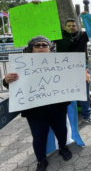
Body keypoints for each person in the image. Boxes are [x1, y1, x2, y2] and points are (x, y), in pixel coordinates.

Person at [3, 36, 73, 171]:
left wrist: (84, 77)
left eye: (44, 45)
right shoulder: (21, 63)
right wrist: (6, 80)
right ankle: (41, 160)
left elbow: (72, 78)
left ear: (49, 48)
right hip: (35, 110)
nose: (41, 47)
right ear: (31, 48)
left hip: (57, 106)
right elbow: (12, 83)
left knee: (61, 130)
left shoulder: (61, 62)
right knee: (39, 136)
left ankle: (63, 148)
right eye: (37, 45)